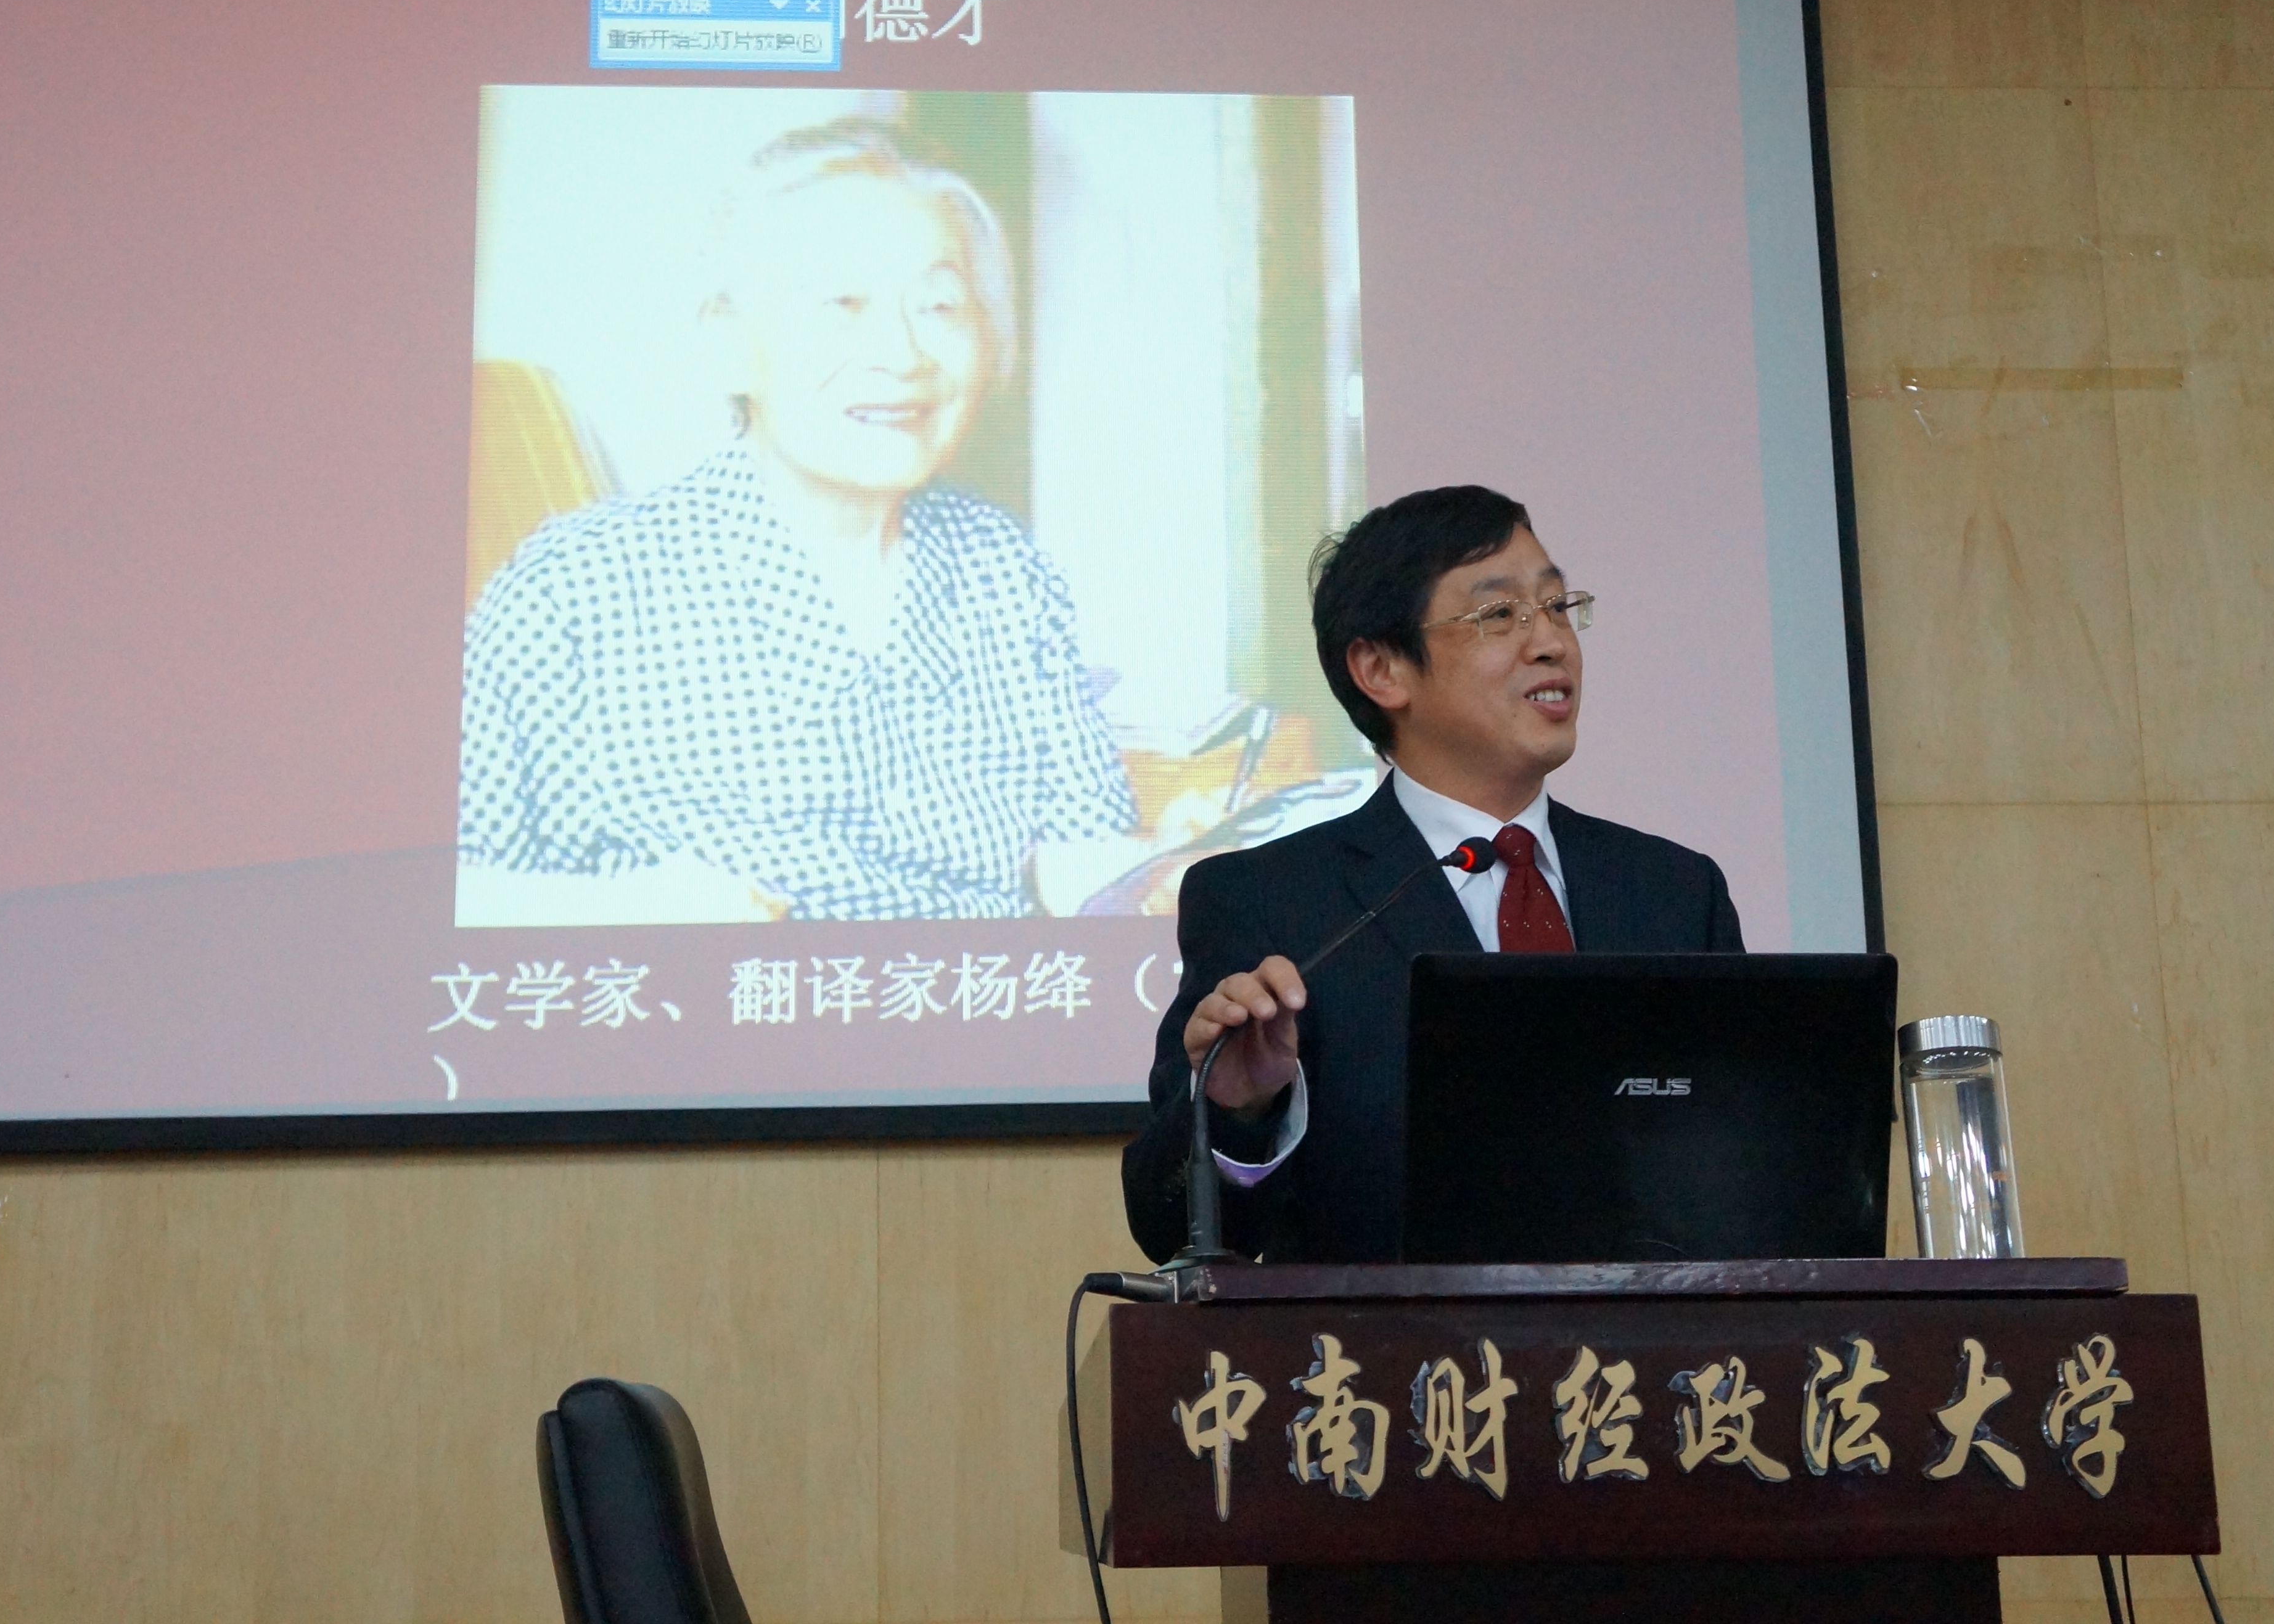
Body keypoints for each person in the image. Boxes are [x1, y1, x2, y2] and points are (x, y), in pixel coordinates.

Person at [458, 117, 1135, 922]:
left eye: (941, 305)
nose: (903, 354)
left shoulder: (1004, 569)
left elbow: (1083, 854)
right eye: (843, 304)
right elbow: (444, 893)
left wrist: (1182, 864)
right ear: (731, 343)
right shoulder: (573, 592)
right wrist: (636, 908)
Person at [1120, 484, 1742, 1262]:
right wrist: (1241, 1112)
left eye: (1557, 606)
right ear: (1381, 669)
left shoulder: (1674, 893)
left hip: (1646, 1338)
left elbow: (1738, 1173)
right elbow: (1166, 1227)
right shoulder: (1270, 902)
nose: (1550, 642)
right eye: (1499, 614)